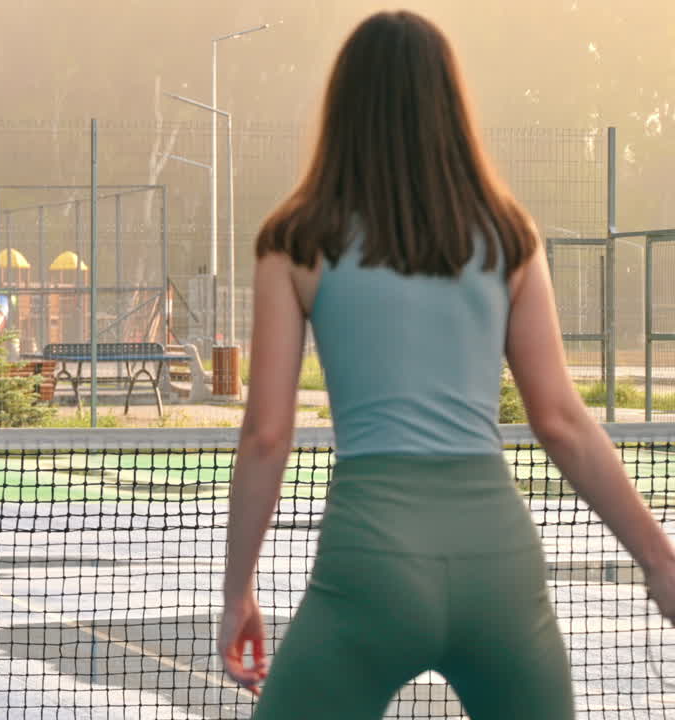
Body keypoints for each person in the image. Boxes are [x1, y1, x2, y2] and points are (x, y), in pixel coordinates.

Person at [218, 11, 675, 719]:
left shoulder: (295, 239)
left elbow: (266, 436)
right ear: (449, 107)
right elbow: (561, 422)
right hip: (499, 563)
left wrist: (237, 593)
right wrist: (661, 561)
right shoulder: (507, 235)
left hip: (369, 565)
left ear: (344, 107)